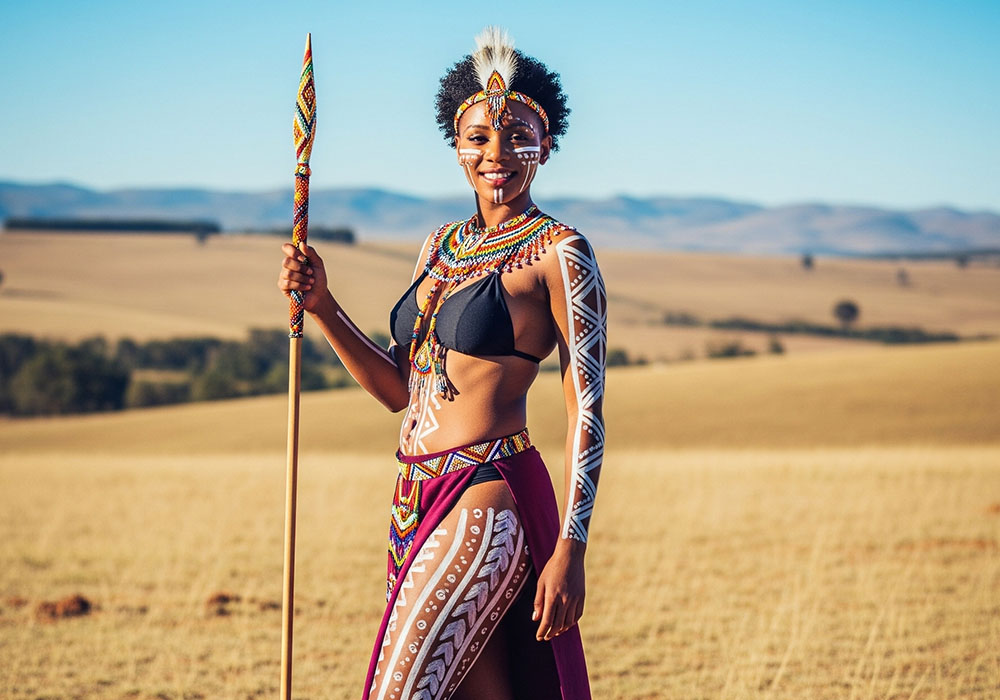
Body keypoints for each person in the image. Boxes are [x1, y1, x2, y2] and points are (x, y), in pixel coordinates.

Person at [278, 26, 606, 700]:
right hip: (412, 501)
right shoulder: (438, 246)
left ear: (545, 145)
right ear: (456, 145)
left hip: (489, 497)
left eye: (519, 134)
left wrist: (572, 546)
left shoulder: (561, 252)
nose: (499, 152)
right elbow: (401, 390)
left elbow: (588, 407)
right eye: (480, 136)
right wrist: (324, 305)